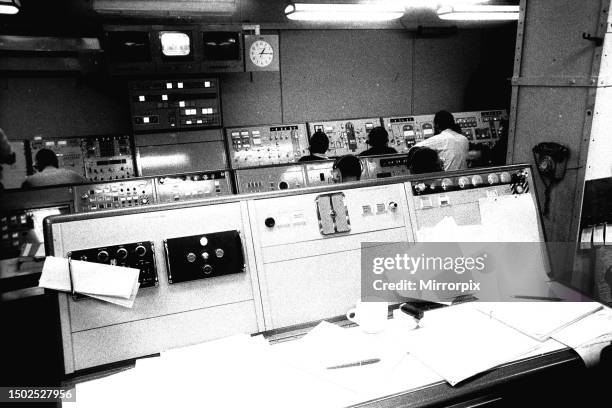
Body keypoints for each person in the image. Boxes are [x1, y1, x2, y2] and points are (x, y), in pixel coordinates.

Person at [22, 148, 86, 188]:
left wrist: (36, 173)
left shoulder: (31, 181)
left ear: (38, 165)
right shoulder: (72, 175)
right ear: (56, 161)